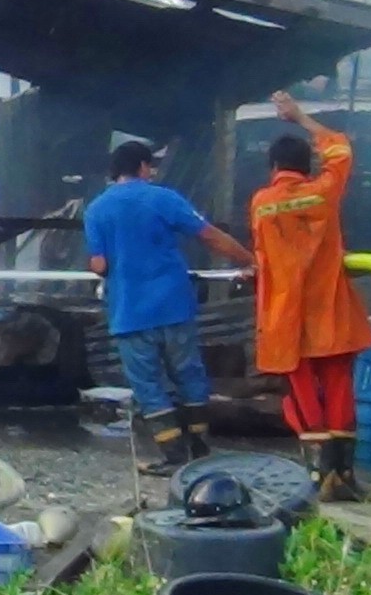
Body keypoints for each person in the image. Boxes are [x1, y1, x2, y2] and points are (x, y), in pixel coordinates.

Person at [83, 139, 254, 474]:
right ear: (144, 167)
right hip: (174, 306)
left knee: (148, 384)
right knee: (189, 373)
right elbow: (208, 235)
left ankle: (173, 456)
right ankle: (201, 448)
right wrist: (250, 259)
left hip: (130, 313)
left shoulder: (96, 210)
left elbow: (99, 265)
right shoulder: (163, 198)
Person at [250, 92, 371, 502]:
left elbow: (263, 254)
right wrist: (301, 117)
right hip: (330, 310)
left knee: (302, 391)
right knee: (340, 385)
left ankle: (317, 476)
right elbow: (340, 148)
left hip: (286, 316)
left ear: (272, 167)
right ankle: (343, 476)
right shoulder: (324, 193)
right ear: (308, 166)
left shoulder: (261, 204)